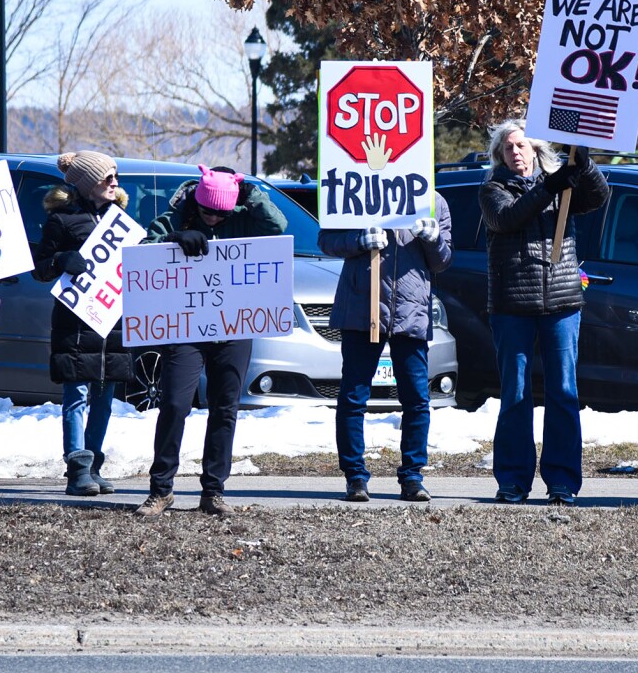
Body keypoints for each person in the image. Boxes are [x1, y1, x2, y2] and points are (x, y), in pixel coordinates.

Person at [135, 166, 287, 517]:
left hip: (233, 327)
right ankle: (161, 490)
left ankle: (213, 491)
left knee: (225, 408)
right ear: (197, 203)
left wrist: (252, 195)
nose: (216, 218)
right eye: (209, 211)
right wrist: (174, 238)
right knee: (174, 403)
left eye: (223, 212)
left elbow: (277, 228)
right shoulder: (178, 214)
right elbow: (144, 249)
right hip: (186, 327)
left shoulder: (244, 215)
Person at [479, 120, 609, 505]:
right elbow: (508, 217)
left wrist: (583, 166)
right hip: (512, 306)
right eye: (508, 148)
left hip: (562, 302)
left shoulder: (562, 184)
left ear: (535, 148)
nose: (515, 152)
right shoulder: (493, 190)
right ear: (499, 155)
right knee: (515, 394)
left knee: (564, 393)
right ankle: (514, 481)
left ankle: (563, 482)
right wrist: (551, 185)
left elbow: (598, 197)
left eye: (521, 145)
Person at [318, 194, 454, 503]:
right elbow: (326, 240)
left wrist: (432, 239)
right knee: (353, 397)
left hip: (411, 313)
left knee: (417, 399)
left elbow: (443, 261)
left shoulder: (433, 201)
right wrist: (358, 240)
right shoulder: (356, 191)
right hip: (361, 311)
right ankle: (355, 477)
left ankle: (412, 477)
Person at [30, 150, 132, 497]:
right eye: (107, 178)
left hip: (111, 327)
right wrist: (61, 259)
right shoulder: (62, 221)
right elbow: (40, 268)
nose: (114, 183)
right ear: (89, 184)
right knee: (76, 396)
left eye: (115, 177)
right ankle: (77, 468)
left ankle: (95, 465)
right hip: (75, 326)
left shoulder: (119, 220)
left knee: (105, 398)